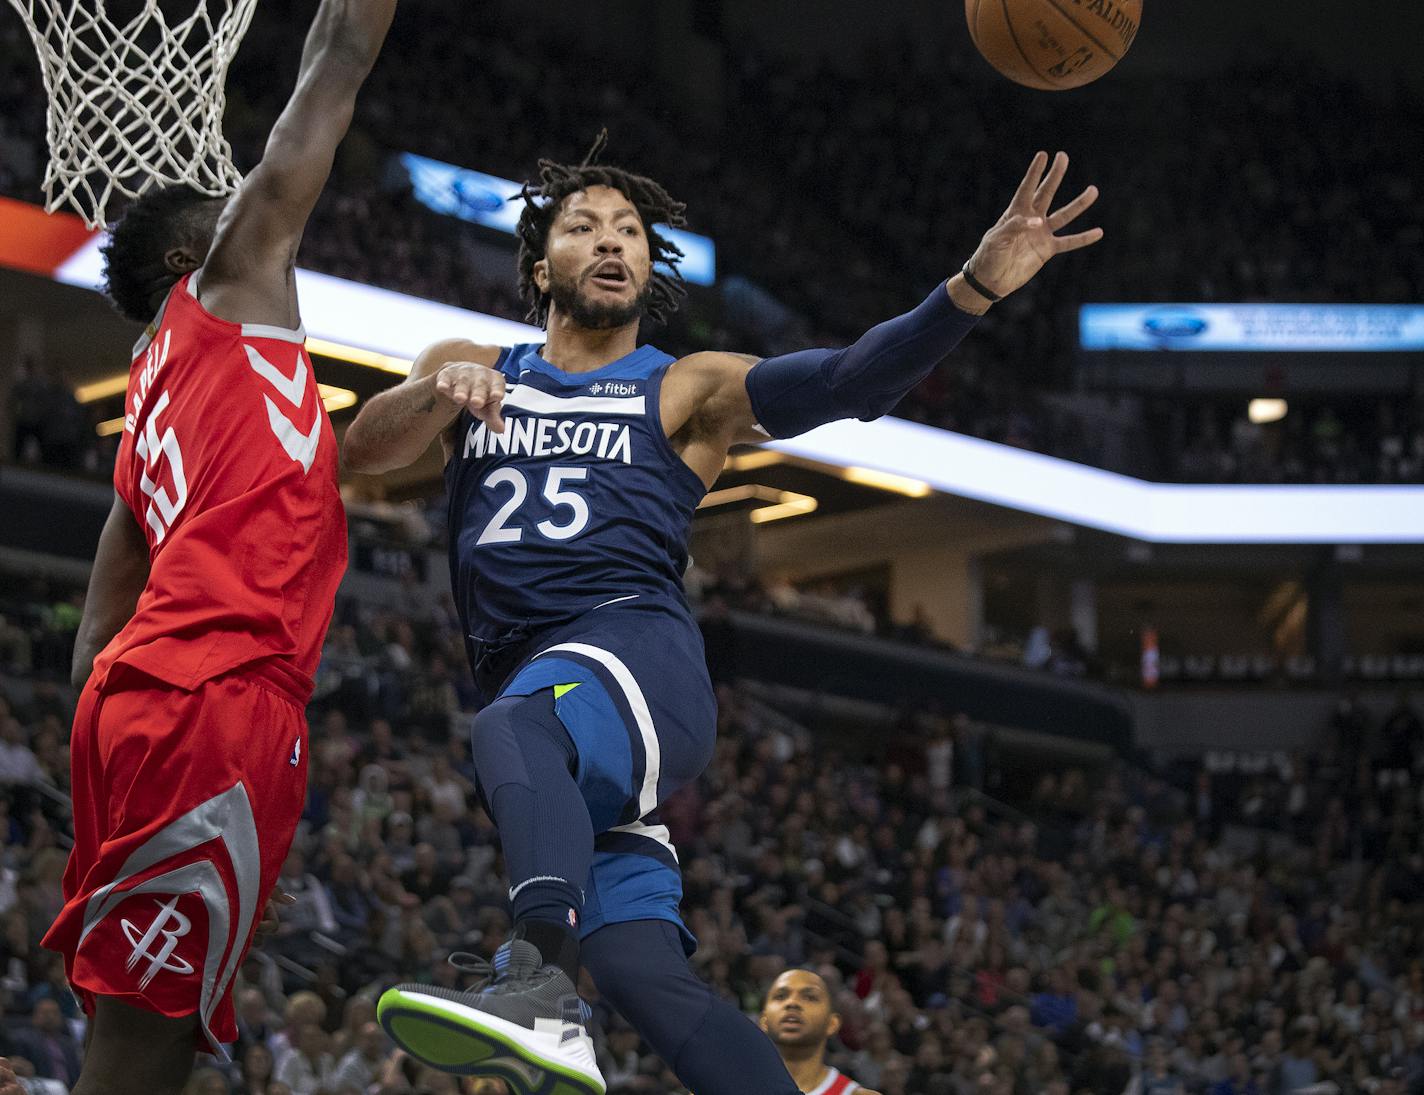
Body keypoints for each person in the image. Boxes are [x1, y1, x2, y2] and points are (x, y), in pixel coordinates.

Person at [348, 142, 1100, 1095]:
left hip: (632, 653)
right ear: (542, 265)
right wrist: (433, 393)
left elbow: (849, 382)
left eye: (631, 231)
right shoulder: (471, 365)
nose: (612, 242)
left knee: (512, 724)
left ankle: (536, 985)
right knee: (636, 968)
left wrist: (973, 287)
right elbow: (366, 449)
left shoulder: (685, 387)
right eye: (585, 227)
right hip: (560, 707)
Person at [35, 1, 398, 1092]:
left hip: (142, 703)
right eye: (235, 209)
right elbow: (335, 56)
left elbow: (97, 636)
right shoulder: (230, 286)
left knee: (141, 1031)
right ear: (198, 254)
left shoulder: (141, 420)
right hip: (215, 694)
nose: (266, 218)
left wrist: (128, 746)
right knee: (140, 1054)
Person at [760, 969, 882, 1095]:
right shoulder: (740, 1086)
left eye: (809, 997)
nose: (792, 1003)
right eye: (781, 996)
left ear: (832, 1023)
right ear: (764, 1021)